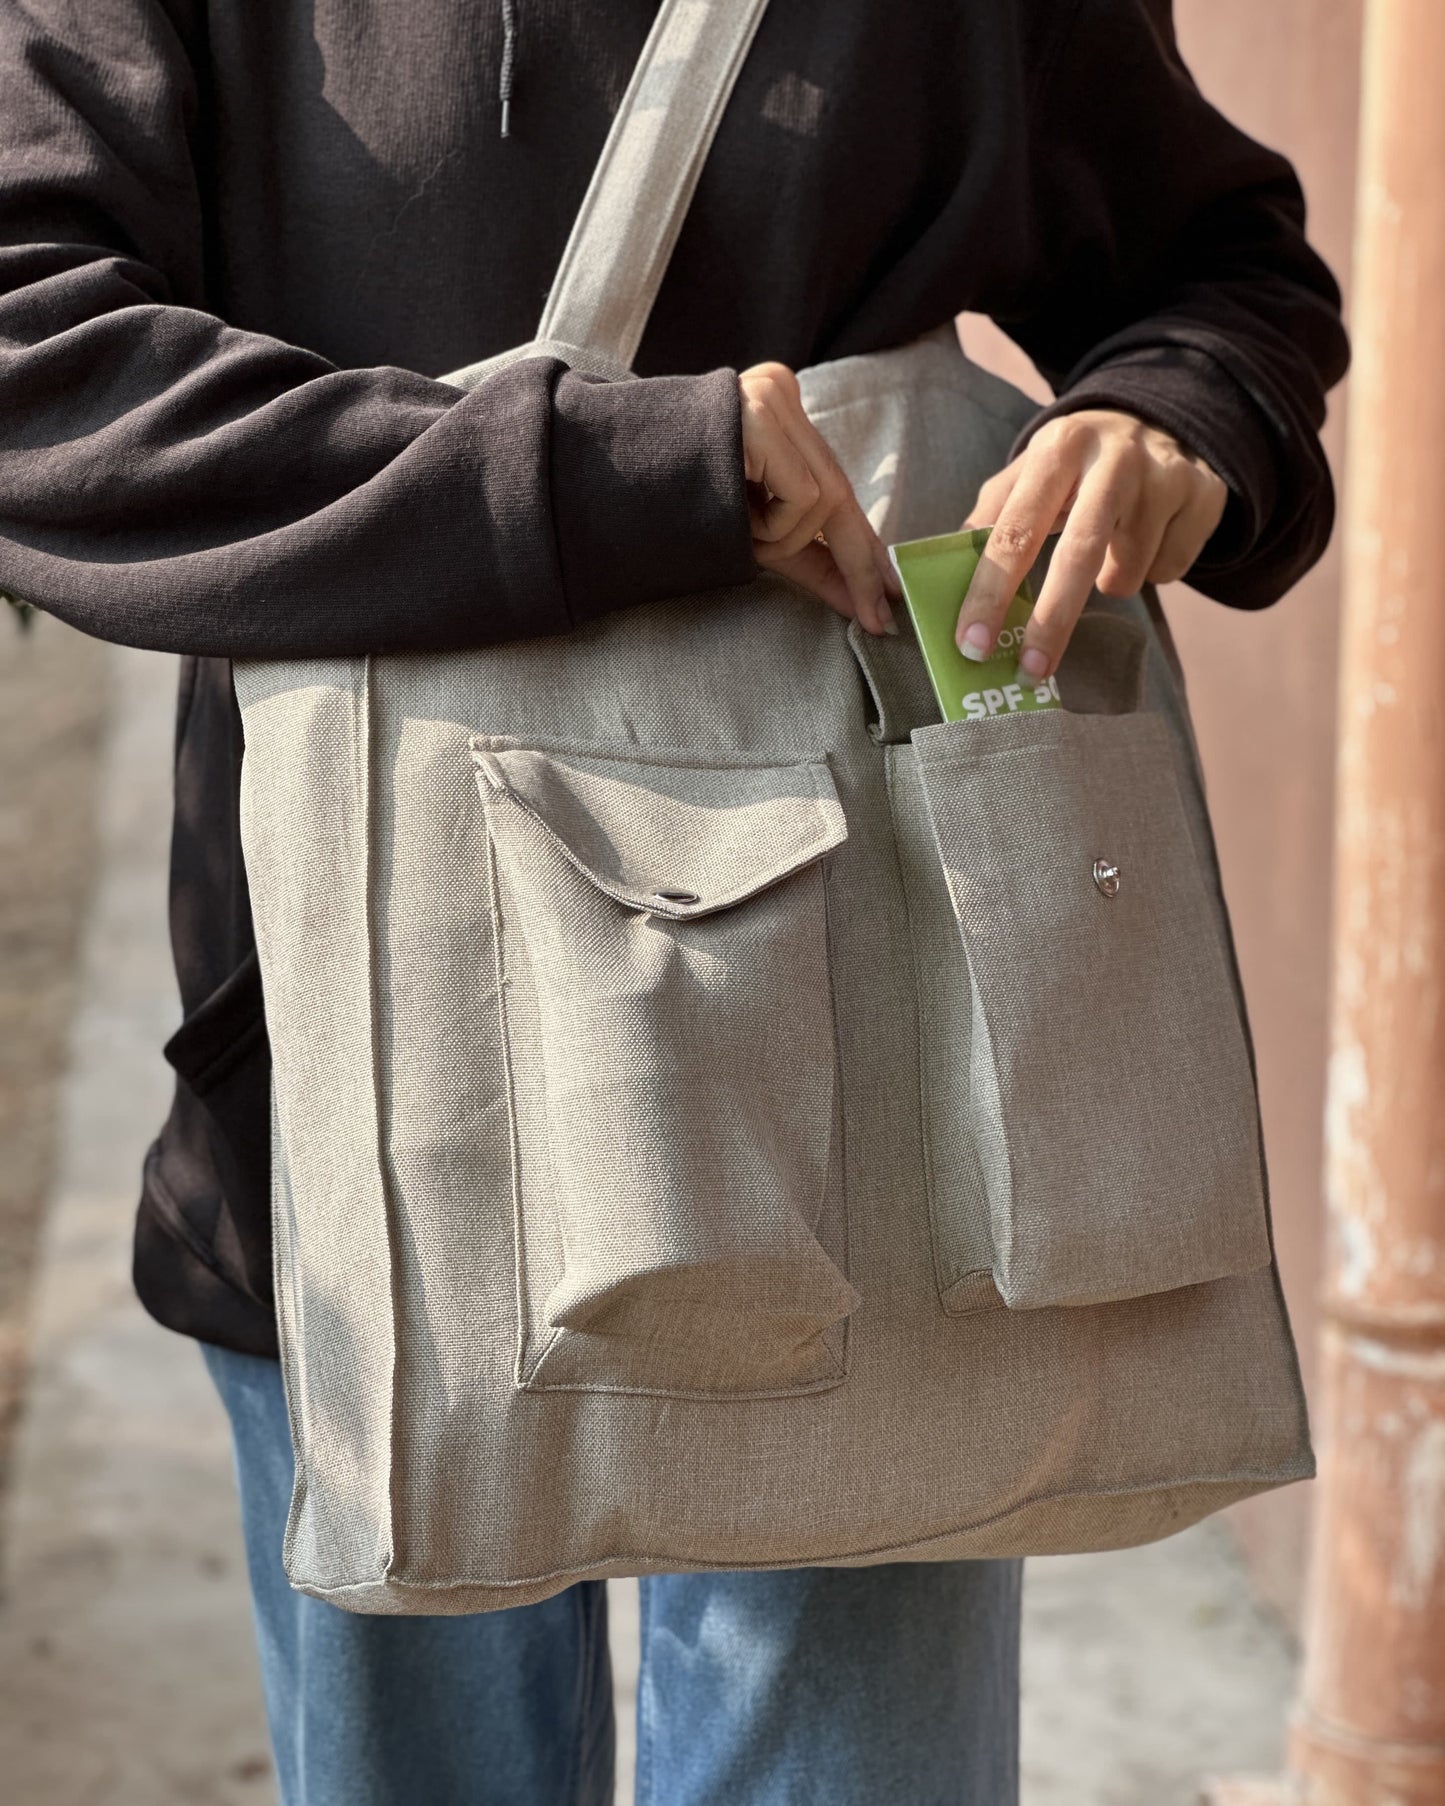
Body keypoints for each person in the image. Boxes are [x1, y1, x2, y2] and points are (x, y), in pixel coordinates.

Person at [0, 3, 1347, 1801]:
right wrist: (628, 471)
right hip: (362, 1061)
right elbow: (30, 365)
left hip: (885, 1049)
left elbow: (1219, 271)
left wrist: (1163, 417)